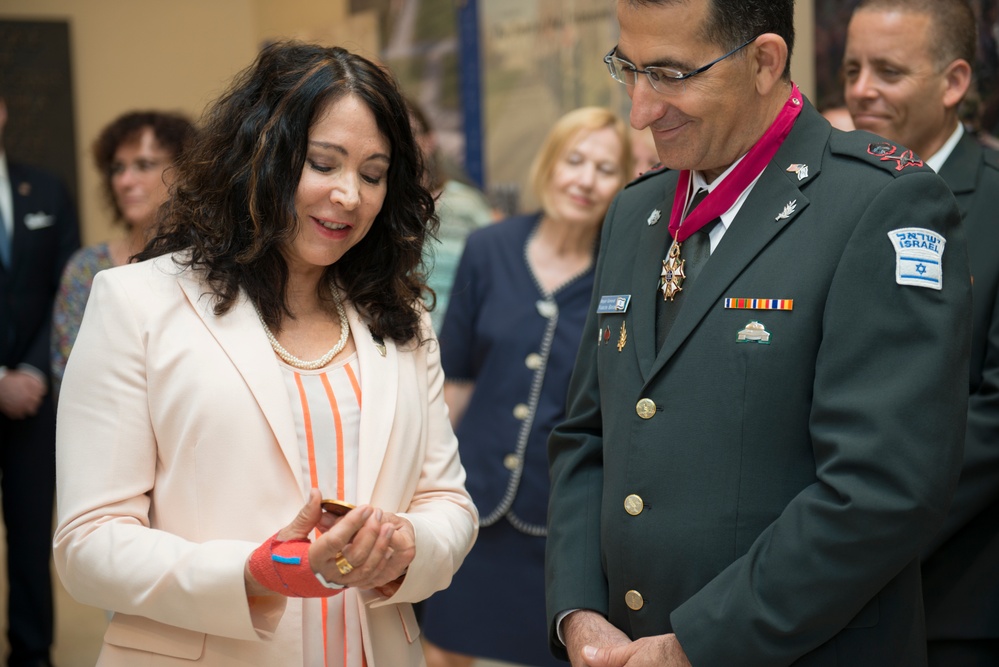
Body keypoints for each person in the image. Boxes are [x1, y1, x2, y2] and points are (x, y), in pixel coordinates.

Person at [545, 1, 972, 666]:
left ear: (764, 61)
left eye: (669, 73)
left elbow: (880, 487)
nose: (639, 109)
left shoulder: (875, 201)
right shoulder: (636, 210)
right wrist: (578, 613)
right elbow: (586, 435)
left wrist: (696, 642)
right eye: (628, 69)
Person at [52, 42, 477, 666]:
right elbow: (87, 546)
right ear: (259, 157)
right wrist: (260, 571)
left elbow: (448, 502)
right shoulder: (137, 303)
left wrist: (406, 547)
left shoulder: (400, 319)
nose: (349, 196)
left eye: (372, 173)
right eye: (323, 164)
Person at [421, 107, 632, 667]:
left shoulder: (624, 272)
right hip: (475, 498)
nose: (586, 180)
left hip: (559, 515)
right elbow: (456, 380)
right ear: (550, 164)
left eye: (606, 168)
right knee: (443, 648)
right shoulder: (489, 248)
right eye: (575, 160)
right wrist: (425, 484)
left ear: (626, 183)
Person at [843, 2, 999, 665]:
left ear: (953, 82)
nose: (859, 90)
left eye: (887, 71)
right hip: (816, 602)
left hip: (948, 599)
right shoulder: (829, 198)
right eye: (850, 68)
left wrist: (859, 525)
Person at [0, 94, 80, 667]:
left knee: (32, 542)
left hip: (34, 401)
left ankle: (32, 656)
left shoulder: (47, 190)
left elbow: (65, 288)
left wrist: (29, 370)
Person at [51, 110, 196, 396]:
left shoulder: (210, 262)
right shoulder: (88, 267)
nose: (125, 181)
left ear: (186, 172)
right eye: (117, 168)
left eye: (144, 165)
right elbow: (69, 374)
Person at [405, 98, 494, 332]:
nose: (402, 143)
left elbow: (496, 271)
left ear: (430, 141)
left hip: (457, 342)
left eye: (410, 133)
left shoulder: (466, 204)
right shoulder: (374, 208)